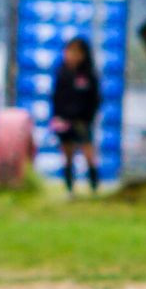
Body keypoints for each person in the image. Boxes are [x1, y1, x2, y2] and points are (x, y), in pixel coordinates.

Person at [49, 32, 105, 191]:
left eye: (76, 52)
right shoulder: (61, 73)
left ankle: (94, 186)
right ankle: (69, 188)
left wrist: (88, 117)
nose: (72, 55)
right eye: (69, 51)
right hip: (64, 120)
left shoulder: (89, 75)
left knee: (89, 154)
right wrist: (57, 118)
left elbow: (95, 99)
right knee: (67, 154)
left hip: (83, 121)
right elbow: (56, 97)